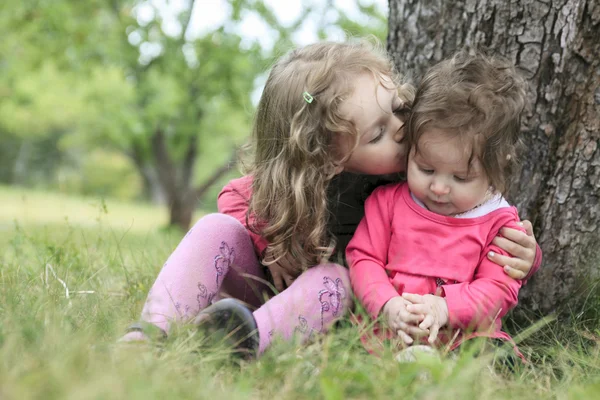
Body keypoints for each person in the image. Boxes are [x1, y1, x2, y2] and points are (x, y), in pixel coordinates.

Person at [121, 41, 541, 358]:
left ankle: (242, 345)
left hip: (309, 313)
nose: (400, 129)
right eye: (376, 133)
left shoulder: (415, 180)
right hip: (256, 291)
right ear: (327, 157)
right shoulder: (294, 185)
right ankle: (149, 334)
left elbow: (483, 229)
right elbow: (234, 197)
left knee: (333, 279)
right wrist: (269, 242)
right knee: (215, 226)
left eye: (396, 109)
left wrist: (527, 254)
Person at [347, 49, 537, 359]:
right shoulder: (388, 203)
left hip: (462, 336)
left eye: (461, 178)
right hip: (394, 328)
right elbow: (363, 259)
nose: (438, 187)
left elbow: (498, 289)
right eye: (425, 168)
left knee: (491, 352)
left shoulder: (500, 224)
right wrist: (387, 304)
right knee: (359, 350)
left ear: (496, 170)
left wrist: (447, 307)